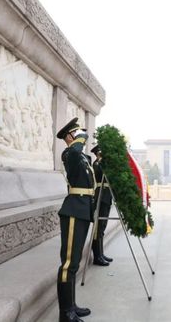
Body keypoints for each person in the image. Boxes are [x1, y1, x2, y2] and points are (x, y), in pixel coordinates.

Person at [55, 117, 94, 322]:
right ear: (70, 136)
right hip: (73, 211)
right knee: (68, 263)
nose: (82, 136)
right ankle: (65, 313)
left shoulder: (82, 158)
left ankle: (72, 306)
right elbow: (75, 152)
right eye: (77, 133)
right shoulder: (69, 153)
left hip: (83, 211)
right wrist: (79, 140)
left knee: (75, 263)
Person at [91, 144, 114, 266]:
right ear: (98, 153)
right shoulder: (97, 164)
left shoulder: (102, 163)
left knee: (102, 227)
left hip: (106, 196)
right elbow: (102, 171)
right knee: (98, 228)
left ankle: (101, 253)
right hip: (100, 196)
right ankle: (97, 256)